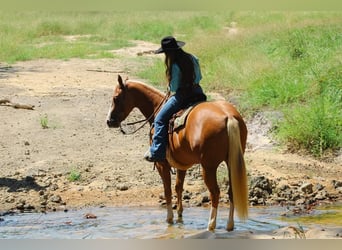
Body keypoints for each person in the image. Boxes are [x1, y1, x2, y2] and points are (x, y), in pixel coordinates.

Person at [144, 36, 207, 162]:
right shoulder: (193, 58)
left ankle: (157, 152)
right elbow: (199, 77)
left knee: (160, 119)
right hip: (198, 92)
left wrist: (169, 85)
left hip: (183, 96)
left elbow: (174, 87)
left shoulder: (174, 65)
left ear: (168, 52)